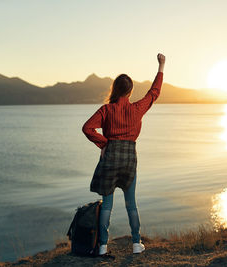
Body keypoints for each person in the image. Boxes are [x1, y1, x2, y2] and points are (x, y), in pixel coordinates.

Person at [82, 53, 165, 255]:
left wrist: (104, 144)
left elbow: (87, 128)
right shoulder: (137, 109)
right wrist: (161, 66)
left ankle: (102, 246)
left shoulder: (106, 110)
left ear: (115, 89)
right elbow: (154, 92)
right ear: (130, 91)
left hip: (110, 158)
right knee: (131, 204)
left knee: (107, 205)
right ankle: (136, 244)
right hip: (129, 160)